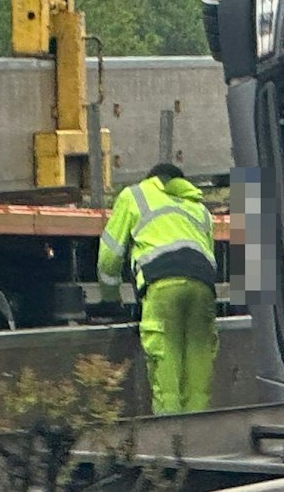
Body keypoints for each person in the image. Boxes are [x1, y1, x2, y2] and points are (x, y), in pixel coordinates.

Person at [98, 163, 219, 414]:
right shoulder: (201, 210)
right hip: (203, 287)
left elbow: (110, 257)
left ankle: (170, 432)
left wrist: (110, 299)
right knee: (198, 373)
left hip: (163, 286)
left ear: (152, 179)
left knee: (166, 374)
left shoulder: (135, 195)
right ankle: (199, 432)